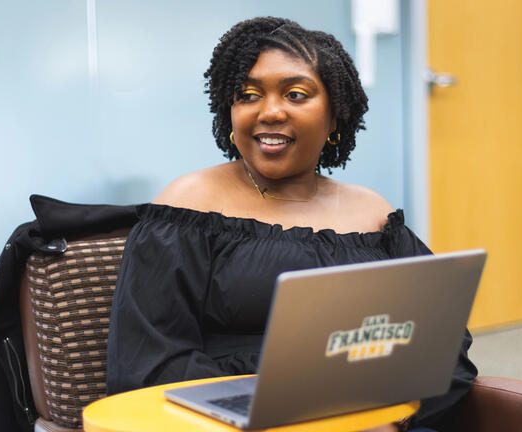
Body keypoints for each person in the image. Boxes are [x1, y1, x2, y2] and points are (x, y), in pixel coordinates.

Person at [106, 17, 476, 431]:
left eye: (296, 94)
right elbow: (149, 359)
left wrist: (392, 420)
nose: (270, 111)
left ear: (335, 116)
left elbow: (441, 341)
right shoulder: (189, 205)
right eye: (248, 95)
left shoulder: (373, 213)